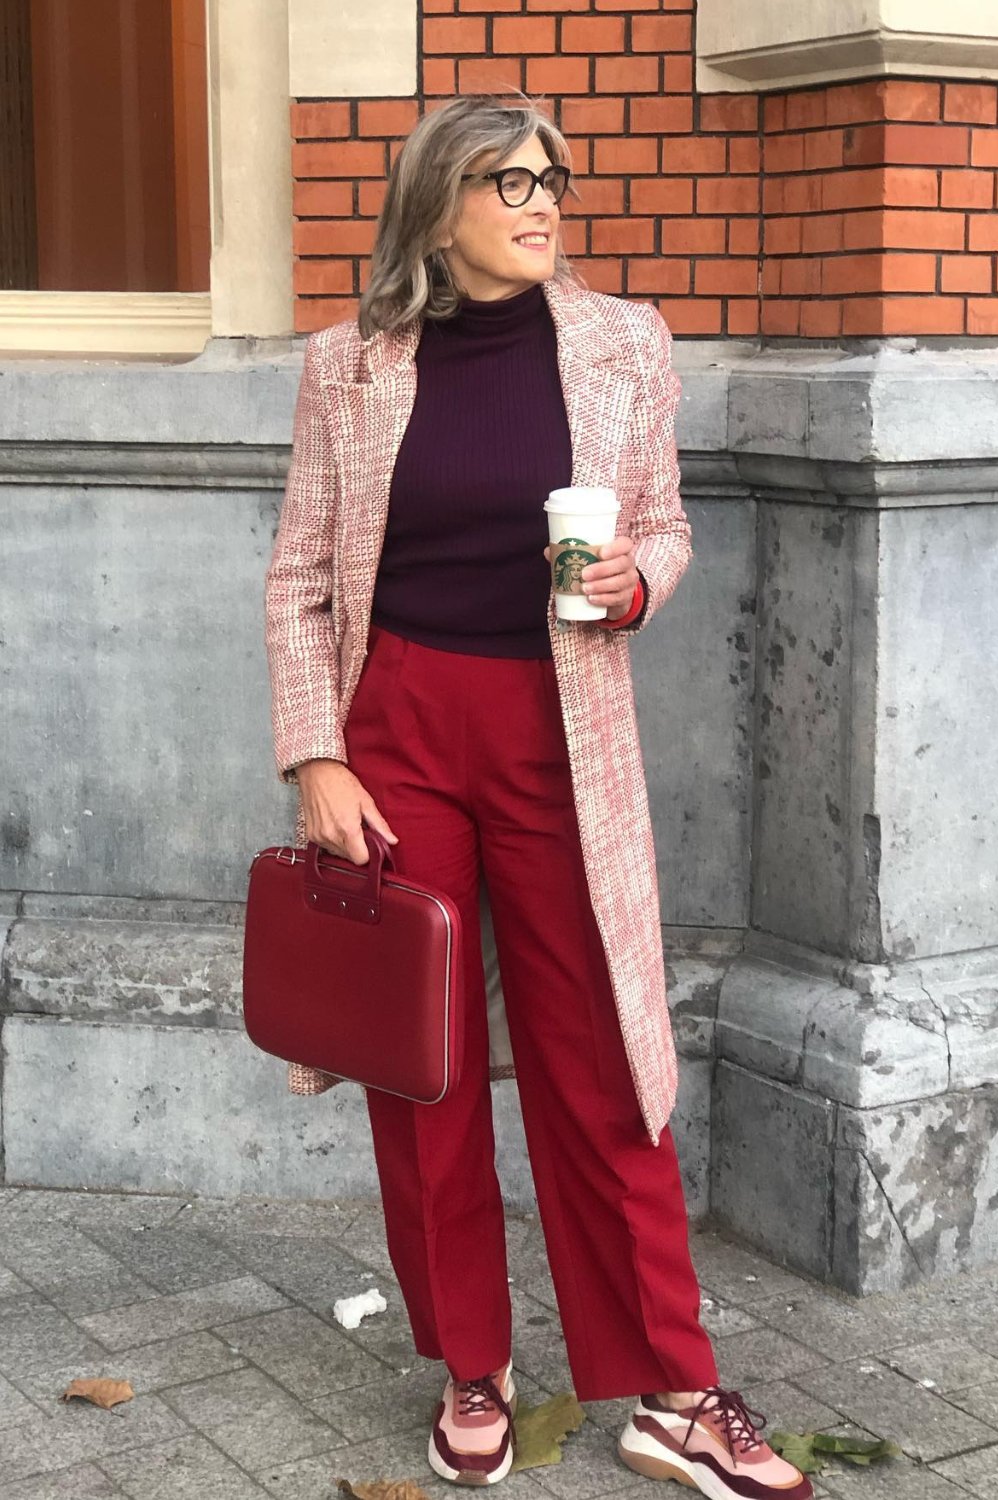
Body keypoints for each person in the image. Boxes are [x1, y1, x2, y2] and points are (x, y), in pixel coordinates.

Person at [264, 95, 812, 1500]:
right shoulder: (351, 362)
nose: (542, 202)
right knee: (422, 1058)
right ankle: (472, 1362)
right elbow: (301, 574)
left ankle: (672, 1388)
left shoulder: (626, 342)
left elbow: (670, 521)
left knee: (602, 1057)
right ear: (438, 199)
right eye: (509, 181)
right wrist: (316, 752)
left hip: (561, 728)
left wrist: (643, 579)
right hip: (399, 725)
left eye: (552, 180)